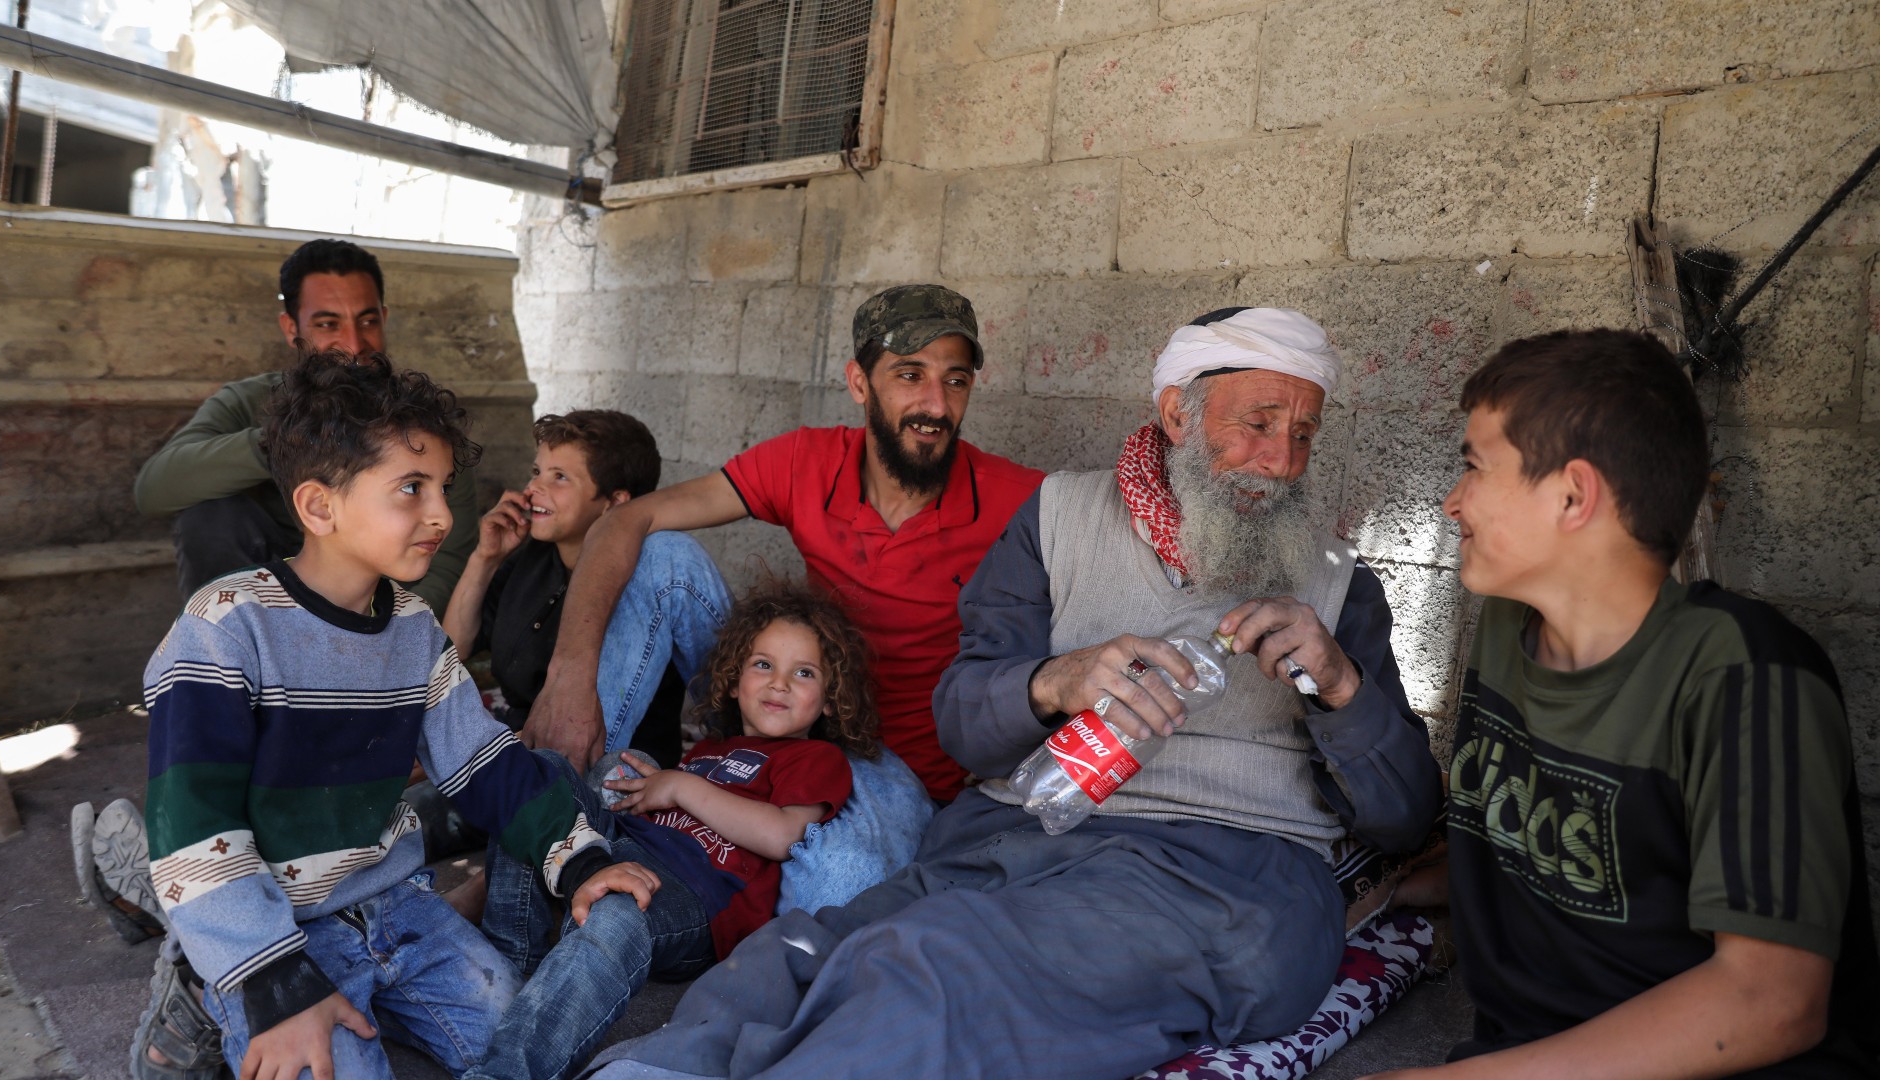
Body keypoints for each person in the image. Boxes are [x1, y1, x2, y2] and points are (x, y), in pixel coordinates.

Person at [588, 307, 1441, 1079]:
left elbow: (1404, 817)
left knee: (942, 965)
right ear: (1179, 414)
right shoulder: (1056, 519)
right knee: (805, 948)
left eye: (1303, 435)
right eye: (1258, 425)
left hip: (1220, 878)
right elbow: (963, 721)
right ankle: (661, 1068)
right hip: (1018, 831)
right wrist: (1054, 680)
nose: (1282, 461)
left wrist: (1340, 684)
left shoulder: (1338, 589)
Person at [1369, 329, 1880, 1078]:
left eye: (1474, 467)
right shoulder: (1508, 625)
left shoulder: (1745, 675)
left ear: (1574, 494)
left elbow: (1771, 1002)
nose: (1452, 503)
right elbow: (1594, 851)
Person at [135, 352, 615, 1080]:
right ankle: (210, 987)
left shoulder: (414, 631)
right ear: (319, 507)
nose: (444, 515)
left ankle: (357, 989)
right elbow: (193, 828)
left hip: (394, 907)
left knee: (516, 1038)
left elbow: (482, 760)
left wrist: (577, 858)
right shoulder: (225, 629)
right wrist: (272, 984)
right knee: (325, 1064)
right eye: (411, 489)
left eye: (443, 488)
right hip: (273, 925)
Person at [522, 284, 1044, 801]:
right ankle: (556, 818)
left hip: (897, 777)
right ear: (859, 383)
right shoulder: (806, 462)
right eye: (910, 375)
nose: (936, 404)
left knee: (834, 867)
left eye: (955, 381)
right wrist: (569, 681)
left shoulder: (1019, 502)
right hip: (784, 716)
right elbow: (622, 521)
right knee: (664, 557)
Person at [467, 582, 879, 1080]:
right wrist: (638, 787)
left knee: (617, 910)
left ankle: (508, 1071)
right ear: (731, 680)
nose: (780, 683)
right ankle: (514, 963)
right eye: (763, 664)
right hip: (627, 848)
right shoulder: (709, 752)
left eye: (805, 673)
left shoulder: (816, 759)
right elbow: (656, 811)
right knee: (540, 778)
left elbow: (781, 835)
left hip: (698, 898)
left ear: (831, 700)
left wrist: (681, 787)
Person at [134, 238, 480, 615]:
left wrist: (381, 640)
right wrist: (291, 441)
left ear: (384, 318)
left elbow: (449, 558)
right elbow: (153, 489)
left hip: (374, 612)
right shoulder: (249, 401)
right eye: (328, 323)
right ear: (290, 327)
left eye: (367, 321)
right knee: (209, 515)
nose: (352, 344)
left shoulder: (419, 420)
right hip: (259, 604)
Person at [442, 409, 728, 767]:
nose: (533, 490)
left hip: (613, 764)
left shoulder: (647, 582)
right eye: (536, 472)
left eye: (559, 477)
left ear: (615, 503)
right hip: (520, 743)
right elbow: (454, 646)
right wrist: (485, 558)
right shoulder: (530, 557)